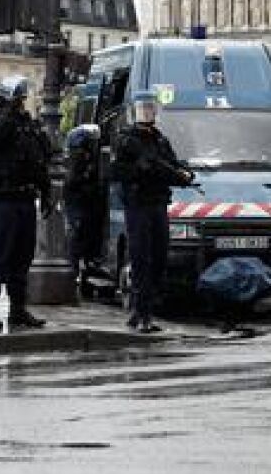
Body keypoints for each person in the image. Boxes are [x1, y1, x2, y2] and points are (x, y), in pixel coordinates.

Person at [0, 78, 54, 332]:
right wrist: (8, 113)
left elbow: (38, 159)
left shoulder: (25, 124)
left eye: (22, 99)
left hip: (24, 198)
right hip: (1, 199)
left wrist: (46, 190)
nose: (22, 103)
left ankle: (18, 309)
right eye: (18, 98)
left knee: (22, 257)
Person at [112, 89, 194, 333]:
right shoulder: (126, 139)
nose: (147, 112)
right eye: (143, 108)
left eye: (150, 108)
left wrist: (185, 174)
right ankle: (142, 312)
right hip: (138, 206)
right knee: (141, 259)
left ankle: (143, 309)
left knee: (159, 257)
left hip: (158, 205)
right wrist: (140, 168)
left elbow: (172, 165)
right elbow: (116, 172)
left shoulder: (160, 140)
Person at [63, 123, 108, 291]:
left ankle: (81, 269)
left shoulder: (85, 156)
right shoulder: (78, 158)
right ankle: (72, 272)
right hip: (78, 203)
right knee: (76, 235)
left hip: (85, 203)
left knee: (83, 235)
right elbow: (73, 182)